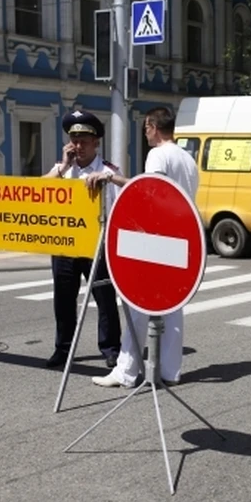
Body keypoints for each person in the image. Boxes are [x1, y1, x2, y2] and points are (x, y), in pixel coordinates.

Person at [88, 106, 199, 389]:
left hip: (157, 239)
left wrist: (111, 178)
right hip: (182, 238)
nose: (144, 132)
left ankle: (125, 372)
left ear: (152, 126)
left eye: (145, 127)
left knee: (138, 305)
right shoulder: (188, 158)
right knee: (172, 308)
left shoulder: (158, 155)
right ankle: (170, 371)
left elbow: (152, 192)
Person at [42, 110, 122, 369]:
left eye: (84, 141)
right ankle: (63, 349)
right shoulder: (61, 170)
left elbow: (118, 210)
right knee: (63, 301)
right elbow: (37, 191)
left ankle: (111, 348)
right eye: (74, 141)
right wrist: (63, 167)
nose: (78, 147)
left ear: (96, 143)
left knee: (104, 299)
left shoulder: (108, 171)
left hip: (95, 246)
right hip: (64, 245)